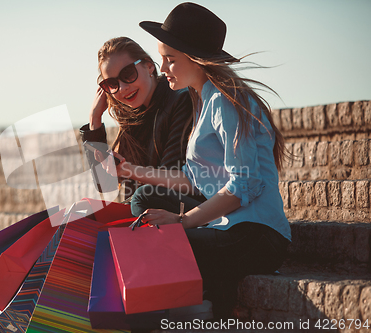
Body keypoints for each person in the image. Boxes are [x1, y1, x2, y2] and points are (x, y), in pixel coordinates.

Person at [101, 2, 291, 318]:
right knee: (145, 206)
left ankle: (201, 307)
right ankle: (201, 301)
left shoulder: (225, 100)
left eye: (170, 60)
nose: (162, 68)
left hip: (256, 236)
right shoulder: (204, 100)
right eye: (162, 59)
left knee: (144, 249)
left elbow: (246, 184)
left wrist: (184, 221)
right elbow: (192, 178)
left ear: (197, 60)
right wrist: (131, 170)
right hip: (228, 227)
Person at [80, 36, 204, 203]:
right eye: (112, 84)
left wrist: (128, 171)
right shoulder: (131, 118)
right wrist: (94, 121)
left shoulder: (180, 100)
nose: (123, 88)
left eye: (128, 73)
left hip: (180, 213)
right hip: (143, 211)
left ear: (149, 66)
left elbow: (167, 180)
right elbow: (105, 185)